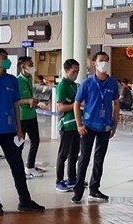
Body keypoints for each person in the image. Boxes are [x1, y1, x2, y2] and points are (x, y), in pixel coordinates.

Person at [0, 48, 45, 215]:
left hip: (10, 131)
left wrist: (19, 129)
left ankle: (25, 201)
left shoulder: (12, 81)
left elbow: (15, 106)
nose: (7, 61)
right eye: (4, 58)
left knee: (18, 167)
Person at [71, 51, 120, 203]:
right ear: (94, 63)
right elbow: (77, 103)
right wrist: (79, 124)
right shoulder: (87, 83)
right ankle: (78, 190)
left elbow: (116, 103)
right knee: (84, 158)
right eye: (101, 60)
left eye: (106, 60)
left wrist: (114, 124)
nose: (104, 63)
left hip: (105, 127)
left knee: (99, 159)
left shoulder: (112, 83)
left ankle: (94, 189)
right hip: (88, 126)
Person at [55, 59, 80, 193]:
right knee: (63, 154)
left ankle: (72, 177)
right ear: (66, 71)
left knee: (74, 153)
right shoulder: (62, 86)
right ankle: (59, 180)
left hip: (76, 124)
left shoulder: (74, 85)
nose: (75, 74)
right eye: (73, 71)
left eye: (77, 71)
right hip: (67, 124)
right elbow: (61, 107)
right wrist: (76, 106)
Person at [16, 57, 44, 179]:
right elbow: (15, 101)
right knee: (19, 144)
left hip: (32, 115)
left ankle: (30, 167)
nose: (32, 66)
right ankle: (17, 169)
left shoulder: (30, 78)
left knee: (35, 141)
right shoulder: (17, 81)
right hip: (21, 117)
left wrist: (36, 101)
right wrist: (27, 101)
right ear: (23, 66)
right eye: (30, 64)